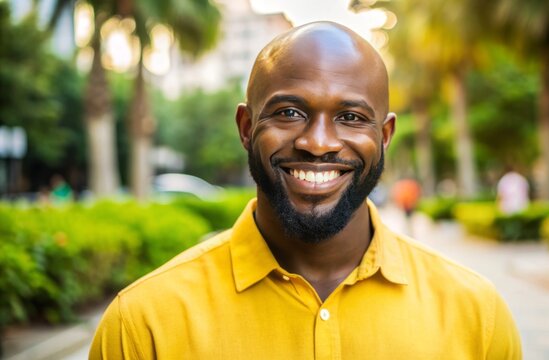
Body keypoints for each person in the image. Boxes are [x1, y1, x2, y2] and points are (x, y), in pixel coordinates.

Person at [90, 22, 521, 359]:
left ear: (385, 135)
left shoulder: (476, 315)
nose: (317, 143)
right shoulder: (142, 324)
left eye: (351, 117)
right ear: (246, 128)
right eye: (290, 112)